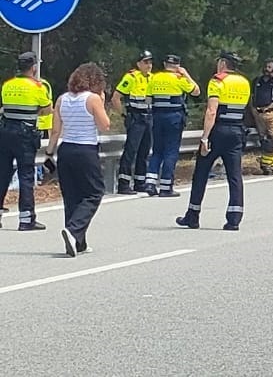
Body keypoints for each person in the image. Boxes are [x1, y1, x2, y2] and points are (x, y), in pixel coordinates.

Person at [177, 53, 251, 231]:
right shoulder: (244, 82)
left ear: (223, 63)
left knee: (201, 172)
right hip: (236, 131)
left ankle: (193, 215)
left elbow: (211, 111)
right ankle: (234, 219)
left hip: (219, 131)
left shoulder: (217, 81)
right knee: (234, 176)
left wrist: (204, 138)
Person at [46, 62, 111, 256]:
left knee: (72, 196)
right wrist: (102, 100)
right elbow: (105, 125)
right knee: (94, 193)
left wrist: (49, 153)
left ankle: (78, 243)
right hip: (86, 150)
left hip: (65, 150)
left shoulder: (61, 99)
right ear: (95, 82)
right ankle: (74, 231)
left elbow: (56, 130)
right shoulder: (92, 99)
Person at [1, 52, 51, 231]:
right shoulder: (37, 86)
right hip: (25, 135)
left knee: (3, 174)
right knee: (26, 176)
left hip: (5, 133)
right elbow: (47, 109)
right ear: (34, 67)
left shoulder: (7, 85)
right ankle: (26, 219)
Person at [145, 54, 198, 197]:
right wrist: (186, 74)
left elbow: (148, 99)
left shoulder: (154, 78)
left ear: (164, 64)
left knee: (157, 150)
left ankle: (150, 183)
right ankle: (166, 187)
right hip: (174, 117)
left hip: (157, 117)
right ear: (177, 66)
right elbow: (196, 91)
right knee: (170, 151)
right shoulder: (179, 78)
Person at [111, 50, 155, 195]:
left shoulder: (152, 78)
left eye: (150, 62)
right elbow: (116, 98)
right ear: (138, 64)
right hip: (135, 118)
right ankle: (123, 184)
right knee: (131, 151)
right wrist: (124, 114)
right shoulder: (131, 78)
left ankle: (139, 182)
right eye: (145, 62)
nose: (149, 65)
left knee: (144, 151)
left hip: (148, 117)